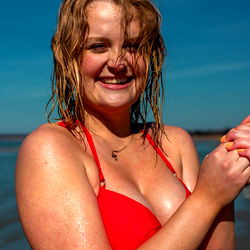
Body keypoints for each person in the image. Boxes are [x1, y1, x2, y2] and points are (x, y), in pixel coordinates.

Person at [16, 0, 250, 249]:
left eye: (133, 46)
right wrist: (208, 198)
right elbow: (208, 199)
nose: (118, 62)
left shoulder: (174, 142)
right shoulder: (50, 148)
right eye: (98, 46)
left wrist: (232, 167)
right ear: (67, 54)